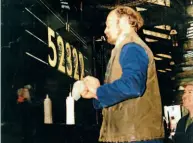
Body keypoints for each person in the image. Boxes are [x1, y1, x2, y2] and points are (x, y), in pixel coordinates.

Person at [80, 6, 164, 143]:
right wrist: (96, 93)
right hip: (129, 136)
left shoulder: (131, 47)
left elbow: (133, 86)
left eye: (108, 25)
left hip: (135, 138)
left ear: (124, 21)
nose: (105, 30)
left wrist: (98, 91)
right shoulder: (123, 49)